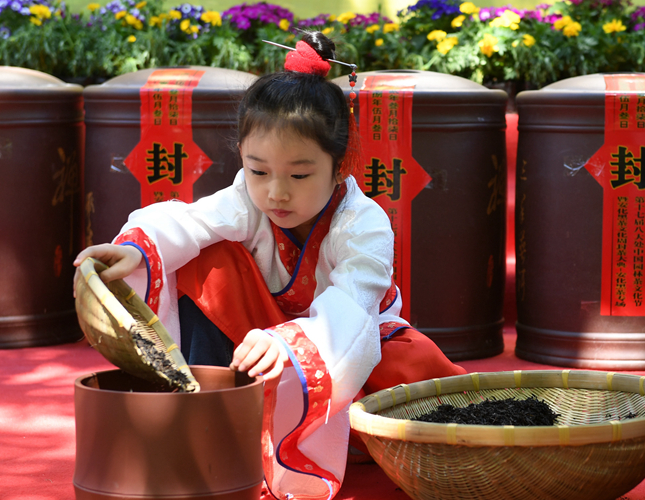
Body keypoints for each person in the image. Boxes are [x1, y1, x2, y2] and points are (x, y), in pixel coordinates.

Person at [73, 31, 466, 500]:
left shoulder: (364, 223)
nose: (276, 193)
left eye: (299, 175)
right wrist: (136, 251)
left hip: (348, 345)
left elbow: (353, 307)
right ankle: (207, 403)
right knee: (206, 256)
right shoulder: (247, 199)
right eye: (258, 171)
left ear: (339, 165)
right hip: (265, 338)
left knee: (419, 380)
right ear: (242, 158)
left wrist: (290, 341)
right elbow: (193, 220)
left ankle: (343, 429)